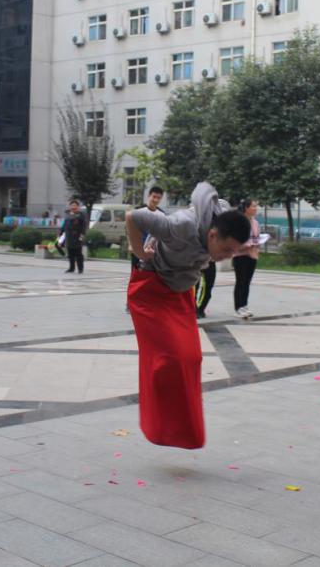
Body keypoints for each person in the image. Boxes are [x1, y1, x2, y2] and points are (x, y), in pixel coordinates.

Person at [125, 182, 250, 449]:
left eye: (233, 252)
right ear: (212, 235)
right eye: (226, 250)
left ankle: (185, 433)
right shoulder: (180, 226)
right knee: (168, 360)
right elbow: (132, 217)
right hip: (151, 291)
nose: (226, 257)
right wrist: (139, 251)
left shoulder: (220, 224)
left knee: (191, 359)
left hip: (179, 294)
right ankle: (159, 428)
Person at [128, 187, 166, 312]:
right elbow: (129, 230)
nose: (155, 200)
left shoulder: (162, 215)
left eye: (158, 198)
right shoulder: (138, 212)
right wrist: (131, 244)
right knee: (135, 276)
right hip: (137, 248)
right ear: (149, 196)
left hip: (151, 252)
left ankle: (147, 302)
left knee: (150, 277)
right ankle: (130, 303)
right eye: (154, 197)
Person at [232, 199, 261, 318]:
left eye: (256, 206)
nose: (255, 209)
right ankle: (238, 307)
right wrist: (247, 244)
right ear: (246, 208)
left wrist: (258, 242)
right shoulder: (239, 222)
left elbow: (257, 237)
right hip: (240, 255)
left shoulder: (255, 223)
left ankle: (244, 305)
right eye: (253, 206)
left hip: (252, 255)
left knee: (247, 282)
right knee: (240, 281)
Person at [60, 199, 87, 274]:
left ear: (78, 207)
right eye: (72, 205)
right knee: (70, 254)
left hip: (77, 236)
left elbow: (84, 226)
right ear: (70, 206)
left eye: (75, 205)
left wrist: (82, 236)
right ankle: (71, 268)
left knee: (78, 254)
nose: (73, 207)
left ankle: (80, 269)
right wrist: (61, 233)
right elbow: (64, 225)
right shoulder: (67, 215)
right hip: (69, 237)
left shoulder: (81, 215)